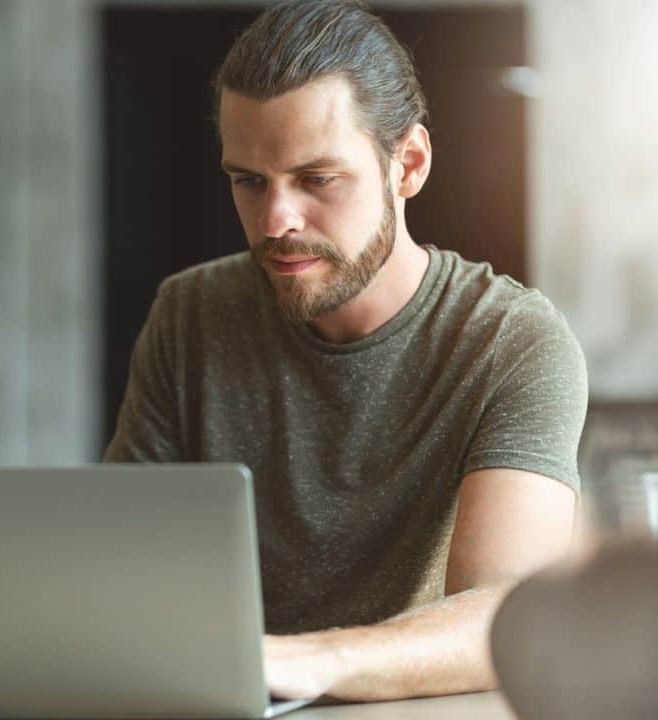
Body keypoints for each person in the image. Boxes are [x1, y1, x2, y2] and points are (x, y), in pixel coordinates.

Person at [104, 0, 587, 703]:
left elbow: (508, 615)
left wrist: (301, 662)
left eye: (317, 179)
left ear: (409, 165)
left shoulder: (511, 342)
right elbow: (119, 569)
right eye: (248, 181)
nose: (275, 221)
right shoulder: (190, 314)